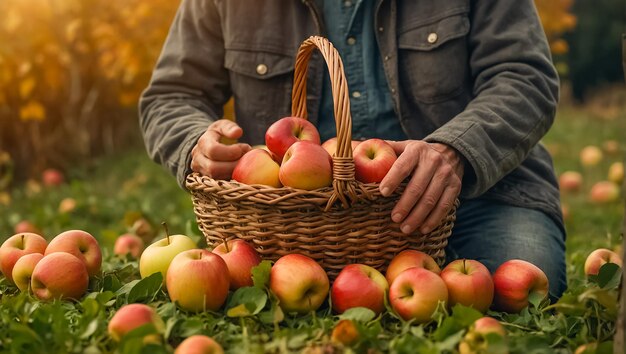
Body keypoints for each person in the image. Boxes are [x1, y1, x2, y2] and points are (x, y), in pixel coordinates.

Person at [139, 0, 567, 299]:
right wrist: (195, 141)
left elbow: (524, 76)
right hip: (294, 224)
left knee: (513, 287)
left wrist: (455, 150)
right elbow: (172, 94)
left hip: (470, 196)